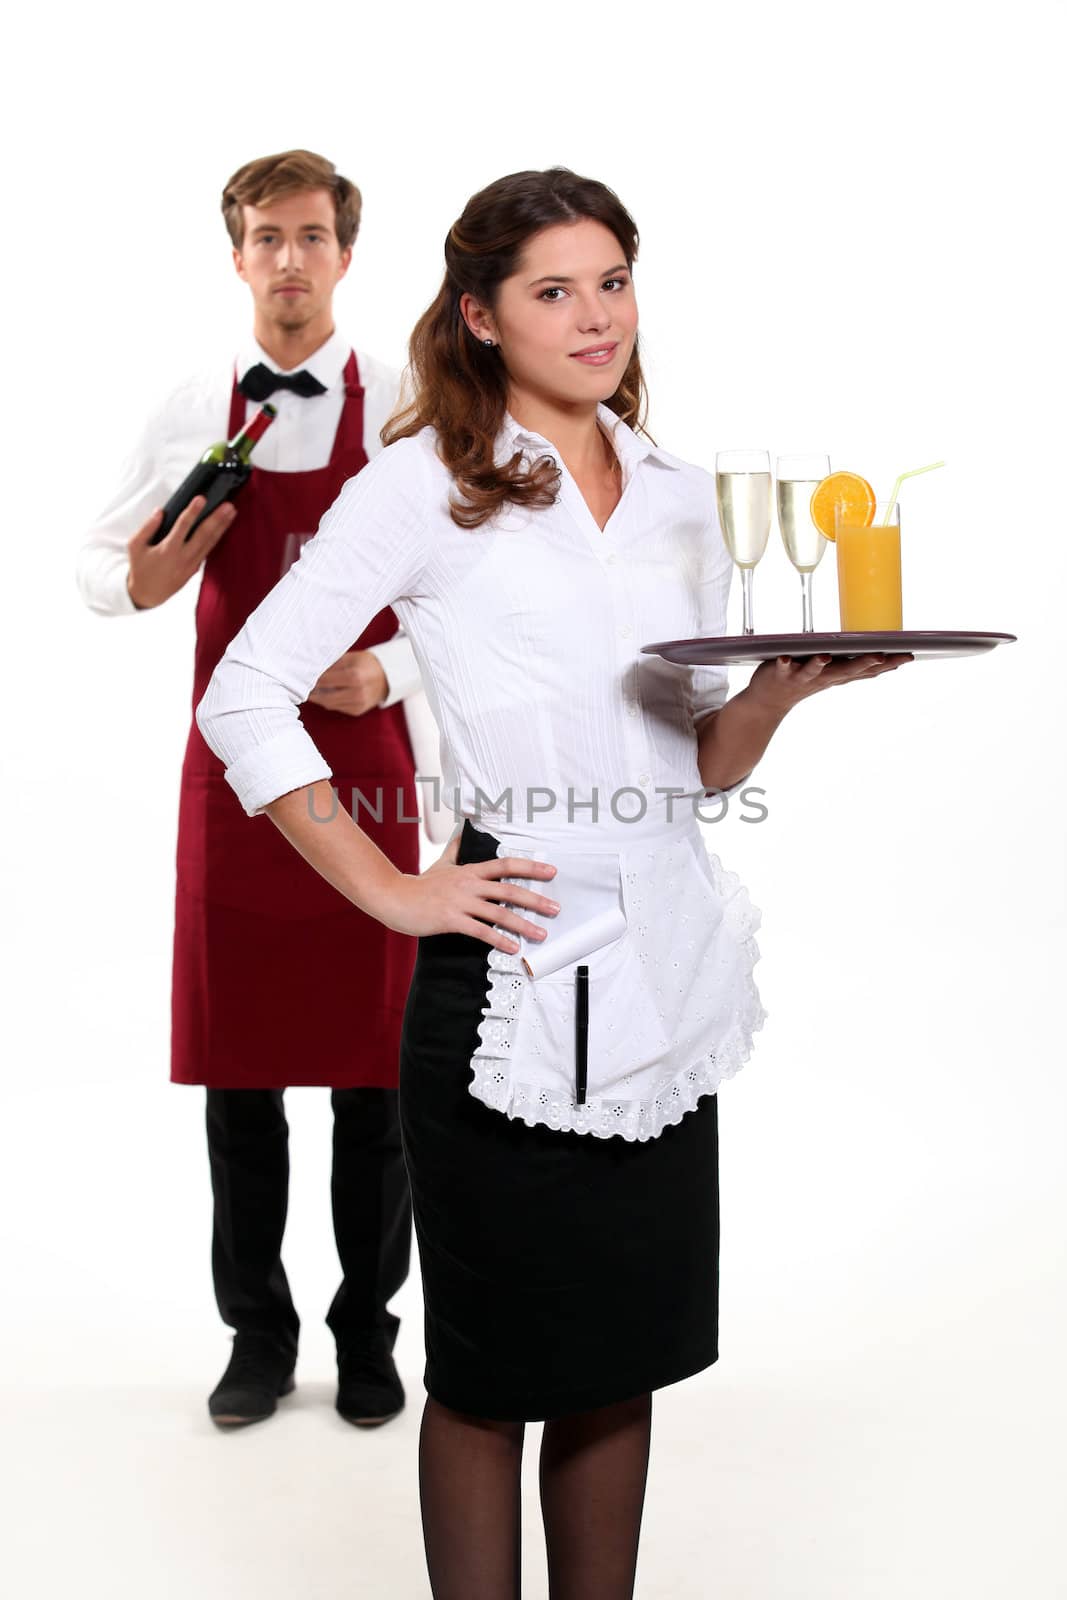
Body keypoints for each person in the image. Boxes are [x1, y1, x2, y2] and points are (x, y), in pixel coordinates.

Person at [196, 166, 912, 1596]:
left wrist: (776, 696)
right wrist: (392, 891)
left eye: (612, 283)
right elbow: (244, 695)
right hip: (505, 978)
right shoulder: (416, 490)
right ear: (476, 316)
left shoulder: (682, 498)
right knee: (487, 1372)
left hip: (658, 969)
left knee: (614, 1363)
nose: (594, 318)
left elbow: (692, 765)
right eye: (551, 291)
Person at [76, 148, 450, 1431]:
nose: (288, 260)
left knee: (375, 1078)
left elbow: (480, 586)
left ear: (345, 254)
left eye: (309, 237)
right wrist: (147, 577)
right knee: (239, 1076)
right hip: (233, 779)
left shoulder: (405, 400)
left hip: (366, 772)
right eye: (264, 239)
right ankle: (256, 1334)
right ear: (235, 256)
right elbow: (96, 563)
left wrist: (390, 671)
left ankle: (366, 1333)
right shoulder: (196, 402)